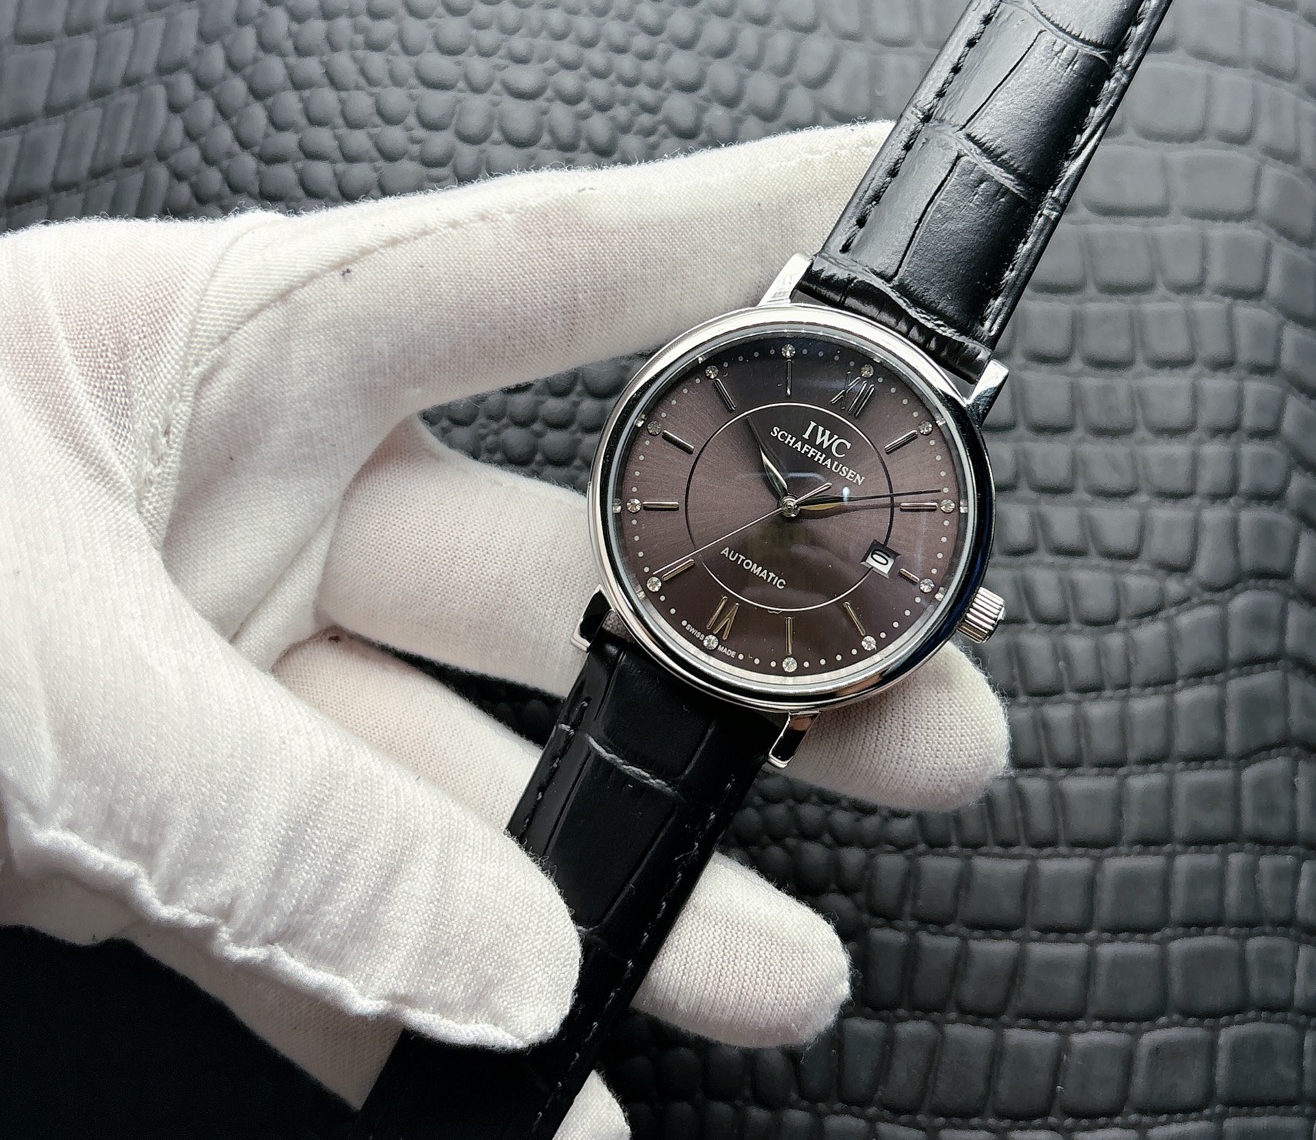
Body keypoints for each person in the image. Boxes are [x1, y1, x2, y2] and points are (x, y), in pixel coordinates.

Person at [0, 123, 1009, 1135]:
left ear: (952, 600)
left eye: (811, 507)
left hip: (737, 650)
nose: (789, 505)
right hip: (664, 615)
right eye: (781, 487)